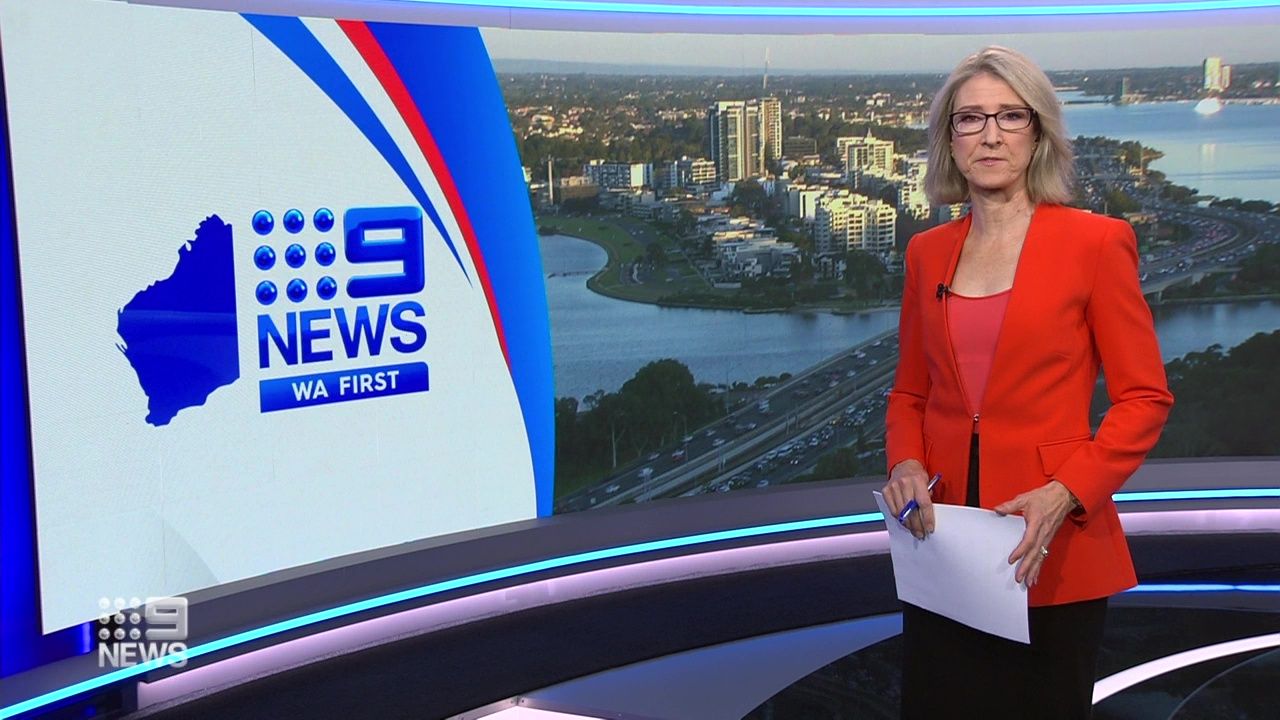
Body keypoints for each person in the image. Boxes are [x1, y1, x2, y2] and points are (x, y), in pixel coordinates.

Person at [880, 46, 1173, 719]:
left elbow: (1145, 398)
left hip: (1052, 545)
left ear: (1038, 133)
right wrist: (905, 463)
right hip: (944, 546)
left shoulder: (1096, 244)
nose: (990, 135)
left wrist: (1066, 491)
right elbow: (910, 394)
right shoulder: (927, 252)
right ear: (949, 140)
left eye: (1010, 116)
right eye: (970, 118)